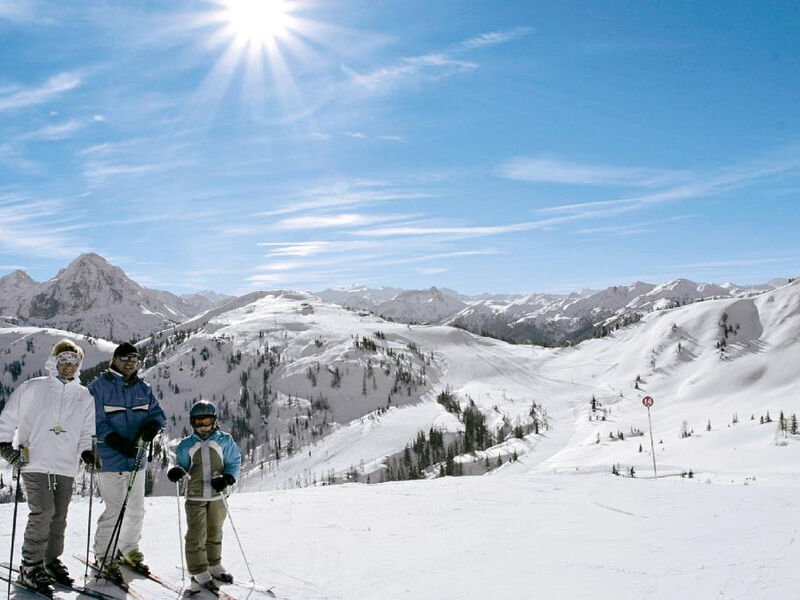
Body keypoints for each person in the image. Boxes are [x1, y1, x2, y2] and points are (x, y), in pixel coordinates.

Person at [0, 339, 98, 595]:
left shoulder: (84, 396)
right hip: (33, 460)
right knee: (43, 511)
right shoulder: (32, 388)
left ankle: (50, 560)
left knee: (59, 516)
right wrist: (4, 444)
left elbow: (87, 431)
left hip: (65, 464)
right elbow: (8, 417)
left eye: (74, 361)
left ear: (79, 364)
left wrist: (87, 452)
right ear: (54, 361)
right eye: (64, 360)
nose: (69, 366)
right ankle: (30, 565)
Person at [89, 342, 165, 582]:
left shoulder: (143, 387)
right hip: (110, 460)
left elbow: (157, 414)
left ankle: (128, 548)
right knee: (114, 510)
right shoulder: (98, 387)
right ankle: (104, 555)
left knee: (135, 509)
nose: (130, 363)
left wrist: (152, 427)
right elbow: (95, 421)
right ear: (114, 359)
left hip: (136, 460)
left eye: (134, 359)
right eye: (124, 358)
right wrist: (117, 442)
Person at [168, 400, 242, 595]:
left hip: (218, 495)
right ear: (192, 423)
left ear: (214, 420)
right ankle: (199, 569)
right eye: (198, 422)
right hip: (195, 495)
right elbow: (182, 465)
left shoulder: (224, 440)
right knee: (196, 533)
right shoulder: (186, 445)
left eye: (206, 420)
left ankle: (214, 564)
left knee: (215, 530)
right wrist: (176, 471)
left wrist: (227, 478)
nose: (202, 426)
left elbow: (234, 461)